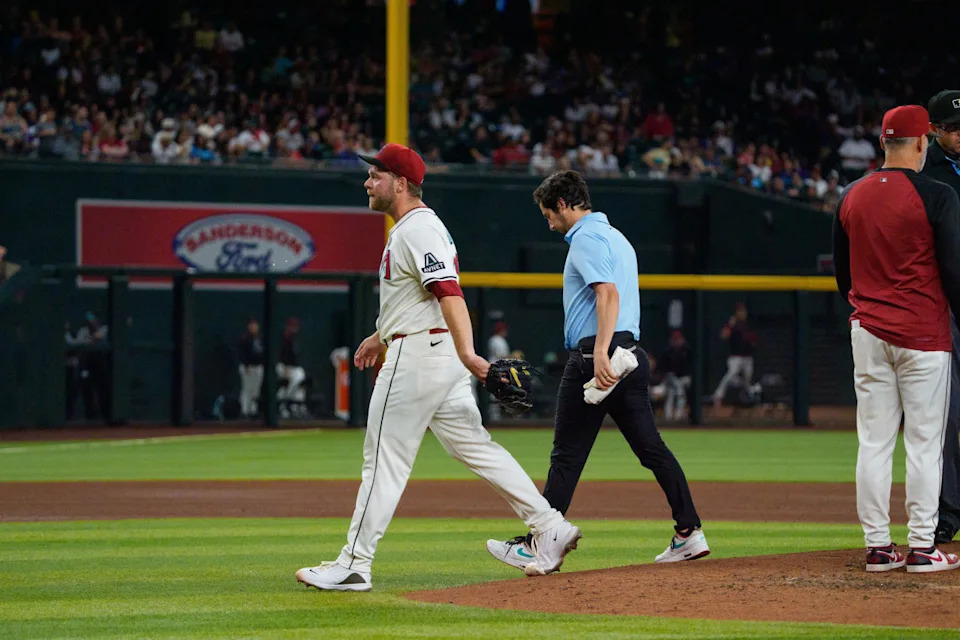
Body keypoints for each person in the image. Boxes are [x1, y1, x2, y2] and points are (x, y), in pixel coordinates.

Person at [295, 144, 580, 592]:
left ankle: (354, 563)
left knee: (383, 461)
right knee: (476, 447)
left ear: (401, 183)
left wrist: (471, 356)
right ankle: (549, 525)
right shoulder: (418, 228)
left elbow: (449, 293)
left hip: (421, 360)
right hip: (432, 353)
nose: (367, 183)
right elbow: (421, 298)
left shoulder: (417, 230)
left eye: (376, 175)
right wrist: (381, 334)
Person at [486, 170, 708, 570]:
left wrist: (600, 353)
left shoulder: (586, 237)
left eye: (549, 212)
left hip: (596, 355)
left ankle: (544, 543)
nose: (549, 221)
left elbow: (606, 293)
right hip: (630, 354)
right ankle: (689, 532)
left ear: (566, 204)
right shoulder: (619, 238)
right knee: (652, 450)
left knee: (566, 454)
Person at [833, 104, 960, 573]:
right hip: (923, 334)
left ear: (885, 143)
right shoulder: (938, 195)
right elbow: (954, 270)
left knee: (874, 441)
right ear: (922, 143)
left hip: (867, 330)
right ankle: (923, 547)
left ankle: (878, 547)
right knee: (925, 444)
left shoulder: (851, 194)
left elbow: (842, 273)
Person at [922, 90, 960, 545]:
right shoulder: (923, 173)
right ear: (932, 130)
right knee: (946, 414)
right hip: (943, 303)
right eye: (952, 128)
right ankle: (947, 511)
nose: (959, 134)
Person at [711, 302, 756, 409]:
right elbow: (723, 335)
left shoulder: (748, 324)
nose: (742, 313)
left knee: (747, 379)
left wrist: (750, 340)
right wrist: (730, 325)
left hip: (747, 356)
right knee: (732, 373)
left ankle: (749, 397)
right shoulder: (733, 323)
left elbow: (754, 341)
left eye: (743, 311)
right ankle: (718, 395)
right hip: (735, 356)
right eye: (740, 311)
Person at [276, 317, 307, 418]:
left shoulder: (295, 339)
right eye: (292, 326)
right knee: (291, 381)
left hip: (293, 367)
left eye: (295, 326)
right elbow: (277, 355)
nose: (294, 328)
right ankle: (283, 403)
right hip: (281, 366)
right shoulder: (281, 338)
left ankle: (291, 404)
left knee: (300, 378)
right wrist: (284, 369)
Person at [660, 330, 692, 421]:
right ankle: (669, 416)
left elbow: (688, 369)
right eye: (674, 339)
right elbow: (666, 370)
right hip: (671, 379)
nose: (676, 341)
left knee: (677, 392)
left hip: (684, 378)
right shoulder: (668, 351)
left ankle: (677, 415)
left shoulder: (687, 350)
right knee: (674, 392)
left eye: (678, 339)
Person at [238, 318, 264, 419]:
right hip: (247, 367)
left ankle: (253, 411)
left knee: (256, 391)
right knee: (247, 389)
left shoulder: (260, 338)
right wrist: (246, 365)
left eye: (255, 325)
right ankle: (245, 411)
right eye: (252, 325)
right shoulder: (245, 338)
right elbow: (241, 353)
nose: (254, 327)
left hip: (258, 367)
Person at [486, 320, 511, 420]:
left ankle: (494, 415)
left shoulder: (493, 339)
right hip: (496, 368)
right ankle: (493, 416)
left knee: (495, 392)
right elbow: (502, 356)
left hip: (493, 367)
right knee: (495, 392)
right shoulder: (498, 340)